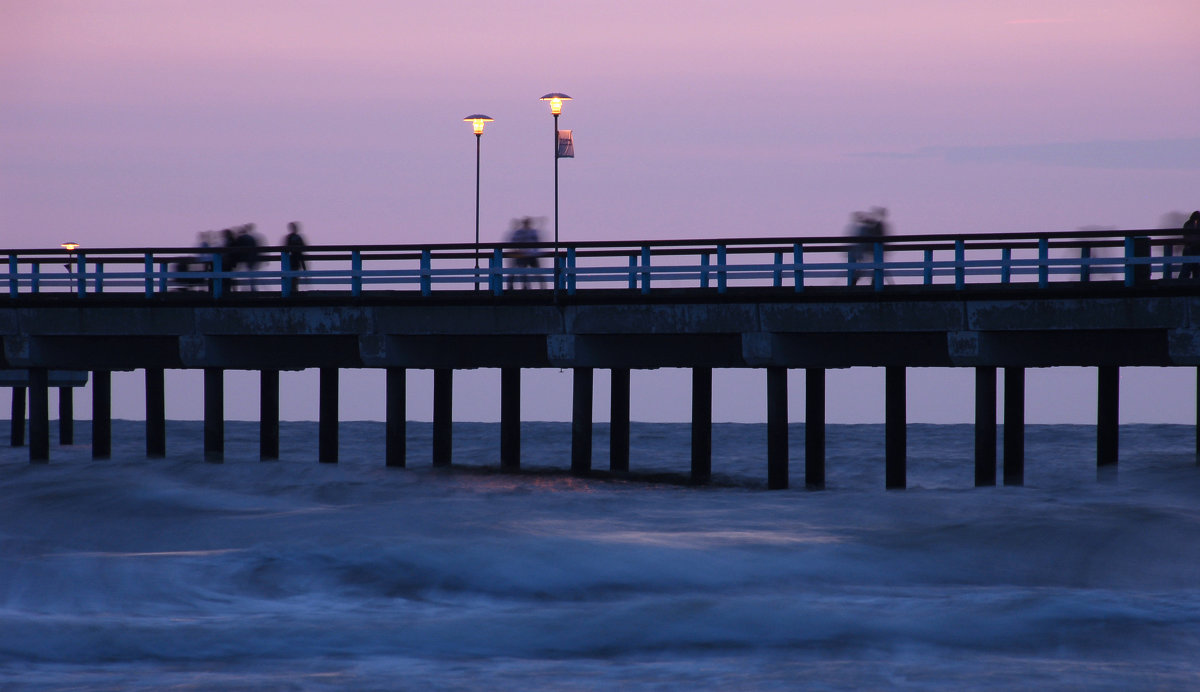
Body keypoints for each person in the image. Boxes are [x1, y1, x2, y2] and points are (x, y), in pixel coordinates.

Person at [508, 217, 544, 289]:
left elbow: (537, 242)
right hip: (524, 255)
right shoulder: (526, 232)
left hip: (530, 255)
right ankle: (525, 286)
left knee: (534, 271)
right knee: (524, 272)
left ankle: (539, 286)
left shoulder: (528, 232)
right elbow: (513, 242)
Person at [283, 221, 307, 293]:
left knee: (292, 275)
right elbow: (304, 247)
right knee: (295, 275)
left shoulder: (289, 237)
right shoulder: (297, 237)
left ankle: (293, 290)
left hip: (292, 259)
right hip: (296, 258)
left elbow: (285, 249)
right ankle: (294, 289)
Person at [1180, 211, 1200, 281]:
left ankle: (1183, 280)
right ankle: (1185, 279)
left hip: (1191, 247)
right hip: (1192, 247)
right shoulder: (1188, 224)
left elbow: (1186, 236)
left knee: (1188, 266)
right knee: (1191, 266)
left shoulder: (1187, 224)